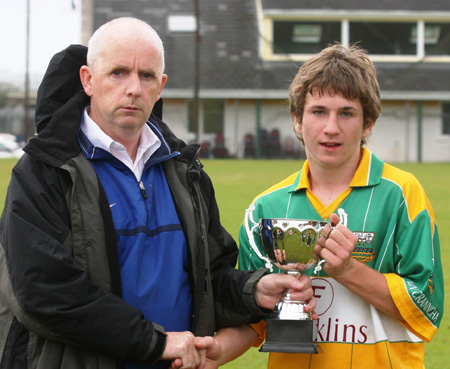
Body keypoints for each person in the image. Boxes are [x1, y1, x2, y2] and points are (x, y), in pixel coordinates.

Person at [0, 17, 317, 369]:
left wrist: (254, 291)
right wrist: (155, 342)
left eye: (146, 75)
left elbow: (211, 278)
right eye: (118, 72)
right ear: (88, 80)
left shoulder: (187, 171)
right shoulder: (43, 170)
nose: (134, 88)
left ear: (161, 85)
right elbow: (43, 293)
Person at [203, 44, 444, 369]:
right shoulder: (265, 208)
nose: (331, 127)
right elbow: (256, 320)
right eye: (318, 111)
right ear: (297, 120)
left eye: (346, 113)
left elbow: (427, 306)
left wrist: (348, 270)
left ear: (368, 123)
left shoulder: (401, 194)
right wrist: (215, 352)